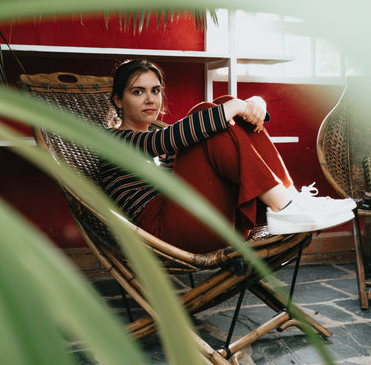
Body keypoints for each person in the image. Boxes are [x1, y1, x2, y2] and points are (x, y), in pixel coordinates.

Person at [100, 59, 355, 253]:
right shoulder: (111, 140)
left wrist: (254, 103)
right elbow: (162, 141)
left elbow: (193, 136)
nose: (150, 99)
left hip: (208, 222)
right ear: (118, 101)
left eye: (155, 90)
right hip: (162, 235)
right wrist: (237, 106)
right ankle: (286, 205)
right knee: (206, 114)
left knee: (214, 113)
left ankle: (289, 202)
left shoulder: (167, 134)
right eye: (138, 92)